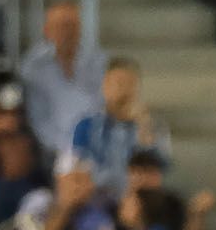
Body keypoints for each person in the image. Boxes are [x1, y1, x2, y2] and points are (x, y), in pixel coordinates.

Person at [69, 57, 169, 197]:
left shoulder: (153, 125)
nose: (125, 90)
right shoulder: (86, 126)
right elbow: (81, 169)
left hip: (141, 201)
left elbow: (160, 169)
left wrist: (144, 130)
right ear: (105, 87)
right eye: (119, 83)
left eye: (131, 84)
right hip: (98, 199)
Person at [20, 0, 106, 159]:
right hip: (49, 151)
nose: (67, 33)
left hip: (95, 148)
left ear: (80, 29)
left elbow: (103, 109)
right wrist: (67, 151)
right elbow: (37, 119)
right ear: (47, 30)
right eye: (61, 26)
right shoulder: (33, 67)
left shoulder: (99, 63)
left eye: (72, 26)